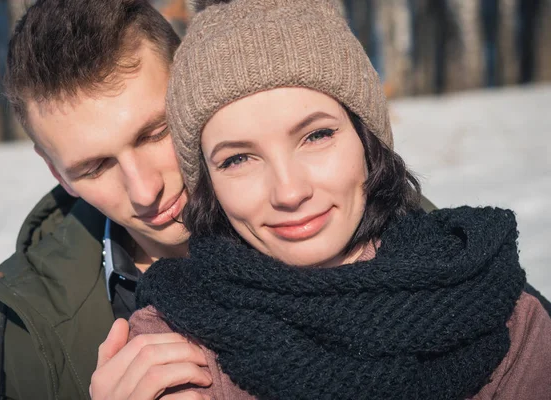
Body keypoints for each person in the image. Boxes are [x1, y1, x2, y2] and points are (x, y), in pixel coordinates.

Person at [130, 0, 551, 399]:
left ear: (367, 140)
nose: (290, 192)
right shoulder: (167, 348)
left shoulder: (502, 311)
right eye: (238, 159)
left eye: (317, 136)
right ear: (208, 184)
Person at [0, 1, 213, 399]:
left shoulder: (323, 234)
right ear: (57, 173)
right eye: (95, 167)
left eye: (155, 133)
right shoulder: (18, 327)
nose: (144, 190)